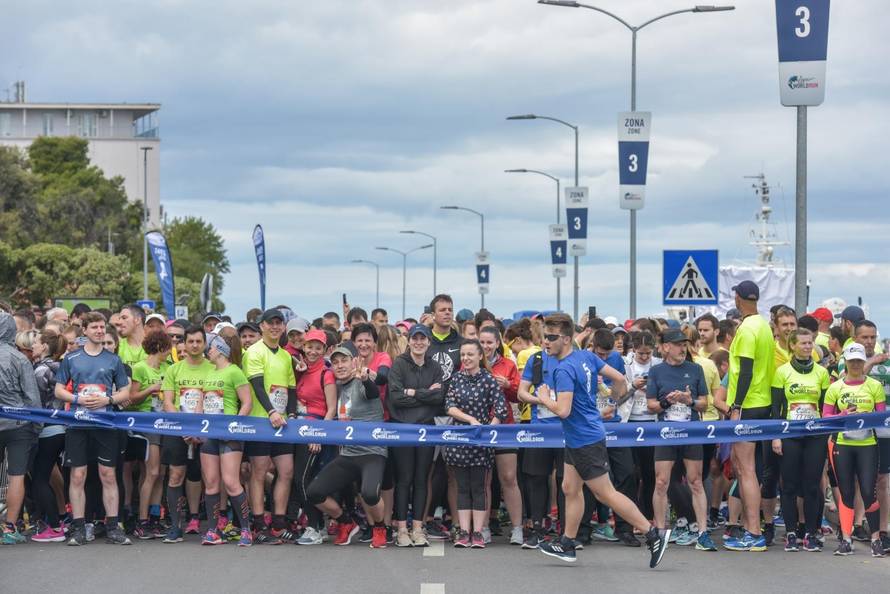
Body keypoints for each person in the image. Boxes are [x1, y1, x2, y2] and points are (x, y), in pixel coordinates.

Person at [536, 313, 669, 567]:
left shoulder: (564, 369)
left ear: (565, 339)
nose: (546, 343)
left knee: (606, 493)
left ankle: (653, 535)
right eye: (544, 337)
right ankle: (567, 543)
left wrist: (544, 398)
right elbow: (620, 379)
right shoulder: (586, 356)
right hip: (580, 436)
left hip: (585, 438)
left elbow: (562, 411)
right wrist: (614, 404)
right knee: (569, 489)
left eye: (551, 338)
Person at [54, 311, 132, 546]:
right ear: (84, 331)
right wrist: (77, 398)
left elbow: (125, 391)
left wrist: (107, 401)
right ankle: (78, 528)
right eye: (95, 328)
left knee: (108, 474)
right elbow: (59, 390)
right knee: (78, 475)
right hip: (78, 424)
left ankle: (113, 527)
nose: (99, 331)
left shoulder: (113, 360)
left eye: (102, 327)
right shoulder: (71, 358)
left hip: (105, 424)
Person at [306, 343, 389, 549]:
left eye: (344, 361)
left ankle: (380, 527)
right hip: (348, 454)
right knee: (314, 492)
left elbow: (372, 392)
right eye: (335, 362)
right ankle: (345, 522)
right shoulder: (339, 387)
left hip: (372, 452)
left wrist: (365, 378)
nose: (340, 365)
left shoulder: (363, 381)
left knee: (370, 494)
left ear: (354, 362)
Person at [647, 329, 714, 552]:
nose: (682, 348)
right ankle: (659, 531)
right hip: (666, 434)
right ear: (665, 347)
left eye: (684, 345)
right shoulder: (656, 371)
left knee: (695, 482)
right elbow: (650, 405)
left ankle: (703, 533)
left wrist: (689, 400)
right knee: (661, 482)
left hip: (691, 432)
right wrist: (666, 402)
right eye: (677, 345)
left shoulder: (695, 369)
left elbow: (704, 403)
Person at [722, 281, 775, 552]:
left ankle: (754, 531)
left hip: (749, 403)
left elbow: (745, 370)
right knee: (747, 469)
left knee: (746, 470)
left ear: (738, 298)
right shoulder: (764, 325)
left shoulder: (745, 329)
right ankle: (749, 527)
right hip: (762, 401)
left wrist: (736, 406)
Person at [823, 343, 886, 557]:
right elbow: (826, 417)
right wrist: (842, 414)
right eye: (852, 361)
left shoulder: (874, 386)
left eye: (859, 360)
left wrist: (864, 416)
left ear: (863, 361)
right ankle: (846, 539)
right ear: (846, 362)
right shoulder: (835, 388)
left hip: (867, 444)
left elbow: (881, 417)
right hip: (843, 445)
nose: (856, 364)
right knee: (847, 492)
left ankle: (876, 539)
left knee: (869, 491)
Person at [770, 328, 830, 552]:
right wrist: (776, 435)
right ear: (792, 345)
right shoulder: (782, 372)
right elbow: (776, 408)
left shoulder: (821, 373)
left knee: (812, 485)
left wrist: (827, 434)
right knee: (789, 485)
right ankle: (792, 532)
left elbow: (826, 408)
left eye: (810, 343)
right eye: (803, 343)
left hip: (815, 435)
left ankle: (811, 533)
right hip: (790, 434)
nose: (808, 346)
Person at [444, 339, 508, 548]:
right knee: (462, 488)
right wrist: (469, 420)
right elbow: (449, 406)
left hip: (481, 442)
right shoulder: (456, 379)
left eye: (470, 355)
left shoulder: (489, 380)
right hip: (459, 440)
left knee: (479, 488)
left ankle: (479, 533)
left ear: (480, 356)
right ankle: (464, 531)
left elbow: (501, 409)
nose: (466, 359)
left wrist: (490, 428)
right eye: (463, 355)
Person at [243, 308, 298, 544]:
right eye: (270, 323)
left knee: (286, 471)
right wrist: (271, 411)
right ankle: (257, 523)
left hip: (283, 423)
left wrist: (292, 413)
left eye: (279, 323)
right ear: (262, 326)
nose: (275, 327)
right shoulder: (253, 352)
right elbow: (256, 385)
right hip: (260, 421)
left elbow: (291, 388)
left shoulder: (285, 356)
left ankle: (278, 522)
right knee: (258, 472)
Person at [387, 324, 444, 546]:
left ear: (429, 342)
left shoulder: (435, 367)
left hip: (426, 429)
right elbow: (396, 398)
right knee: (404, 480)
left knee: (422, 479)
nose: (419, 342)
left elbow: (439, 398)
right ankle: (402, 529)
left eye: (423, 339)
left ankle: (418, 528)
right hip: (402, 428)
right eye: (415, 338)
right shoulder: (399, 364)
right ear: (409, 341)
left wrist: (413, 393)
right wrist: (426, 394)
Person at [197, 333, 254, 546]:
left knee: (231, 482)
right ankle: (213, 530)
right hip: (210, 434)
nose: (206, 351)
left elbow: (246, 403)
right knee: (211, 484)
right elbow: (202, 403)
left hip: (229, 435)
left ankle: (246, 529)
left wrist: (235, 426)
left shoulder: (235, 372)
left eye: (209, 348)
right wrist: (197, 427)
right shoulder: (210, 373)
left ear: (219, 349)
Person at [160, 325, 214, 543]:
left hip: (206, 430)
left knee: (201, 476)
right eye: (190, 341)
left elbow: (215, 400)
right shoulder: (174, 369)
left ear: (204, 344)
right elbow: (167, 402)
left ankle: (196, 519)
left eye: (198, 342)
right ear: (184, 343)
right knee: (175, 475)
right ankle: (175, 525)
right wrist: (185, 427)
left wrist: (198, 428)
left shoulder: (213, 368)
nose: (194, 345)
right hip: (178, 429)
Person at [0, 312, 43, 545]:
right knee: (17, 475)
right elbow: (32, 399)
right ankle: (8, 527)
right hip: (19, 424)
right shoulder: (19, 359)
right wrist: (37, 427)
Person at [479, 326, 523, 545]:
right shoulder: (473, 363)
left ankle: (517, 528)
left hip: (505, 428)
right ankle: (483, 527)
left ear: (498, 343)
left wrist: (509, 385)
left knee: (509, 478)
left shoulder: (508, 365)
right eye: (482, 342)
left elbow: (518, 397)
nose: (486, 346)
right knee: (484, 480)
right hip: (480, 429)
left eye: (490, 342)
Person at [293, 329, 338, 546]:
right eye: (309, 346)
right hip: (298, 431)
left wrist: (319, 435)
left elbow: (331, 410)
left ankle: (316, 527)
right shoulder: (301, 370)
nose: (312, 351)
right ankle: (317, 525)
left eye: (318, 347)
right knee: (301, 480)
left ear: (324, 350)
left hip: (315, 433)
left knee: (303, 481)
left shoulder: (326, 374)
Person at [850, 320, 890, 552]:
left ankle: (883, 529)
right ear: (856, 338)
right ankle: (857, 523)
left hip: (883, 431)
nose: (869, 342)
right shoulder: (851, 362)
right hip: (858, 432)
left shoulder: (884, 363)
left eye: (873, 337)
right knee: (859, 479)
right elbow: (852, 384)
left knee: (882, 480)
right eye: (865, 337)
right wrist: (870, 362)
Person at [129, 331, 173, 540]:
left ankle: (155, 518)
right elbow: (133, 398)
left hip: (165, 422)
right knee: (152, 472)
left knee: (161, 474)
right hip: (147, 422)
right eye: (168, 347)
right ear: (160, 347)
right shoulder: (140, 367)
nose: (170, 352)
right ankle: (142, 520)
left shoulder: (169, 368)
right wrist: (151, 389)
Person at [29, 329, 69, 543]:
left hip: (47, 429)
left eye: (35, 342)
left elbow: (33, 402)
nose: (32, 345)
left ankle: (54, 527)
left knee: (40, 479)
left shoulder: (40, 371)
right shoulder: (60, 367)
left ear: (45, 346)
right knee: (45, 477)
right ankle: (59, 520)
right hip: (60, 428)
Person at [626, 331, 660, 526]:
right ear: (633, 350)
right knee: (630, 472)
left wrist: (652, 389)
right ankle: (631, 516)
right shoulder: (625, 364)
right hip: (630, 420)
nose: (645, 357)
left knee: (649, 473)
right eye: (641, 354)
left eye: (648, 353)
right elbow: (618, 391)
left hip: (651, 421)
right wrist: (633, 386)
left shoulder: (657, 365)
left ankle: (648, 515)